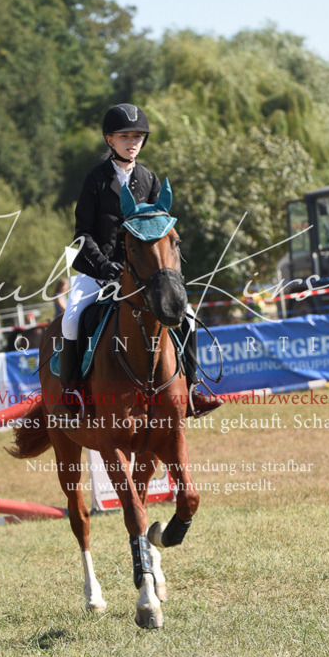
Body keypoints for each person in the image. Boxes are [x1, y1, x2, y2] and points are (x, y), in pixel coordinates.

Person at [60, 102, 221, 424]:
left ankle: (192, 389)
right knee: (72, 319)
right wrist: (103, 265)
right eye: (124, 137)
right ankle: (73, 394)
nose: (132, 142)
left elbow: (159, 230)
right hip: (100, 271)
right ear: (110, 140)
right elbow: (83, 234)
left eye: (137, 137)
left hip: (143, 275)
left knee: (187, 317)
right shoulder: (96, 180)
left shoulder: (148, 179)